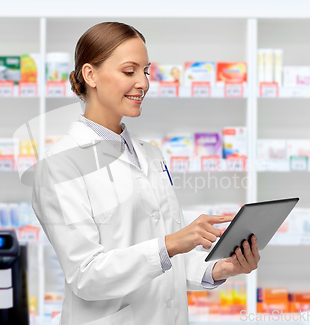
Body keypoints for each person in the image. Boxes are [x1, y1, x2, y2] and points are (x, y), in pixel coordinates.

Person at [32, 22, 260, 325]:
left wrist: (219, 268)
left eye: (146, 71)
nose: (143, 83)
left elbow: (166, 261)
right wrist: (172, 243)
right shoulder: (60, 164)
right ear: (90, 75)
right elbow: (86, 275)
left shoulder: (150, 154)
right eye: (130, 72)